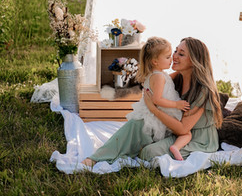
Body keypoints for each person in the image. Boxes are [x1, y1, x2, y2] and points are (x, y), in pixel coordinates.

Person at [81, 37, 223, 166]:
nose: (174, 56)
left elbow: (183, 129)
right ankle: (97, 157)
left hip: (197, 139)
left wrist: (154, 109)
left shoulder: (203, 90)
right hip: (175, 131)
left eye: (181, 54)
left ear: (194, 61)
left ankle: (132, 147)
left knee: (148, 153)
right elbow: (155, 83)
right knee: (136, 123)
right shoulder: (177, 77)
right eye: (175, 51)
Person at [125, 36, 191, 160]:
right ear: (155, 61)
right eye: (167, 57)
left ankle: (168, 147)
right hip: (166, 111)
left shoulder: (158, 74)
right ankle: (175, 147)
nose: (172, 59)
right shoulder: (159, 77)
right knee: (187, 134)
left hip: (162, 111)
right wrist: (177, 105)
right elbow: (157, 100)